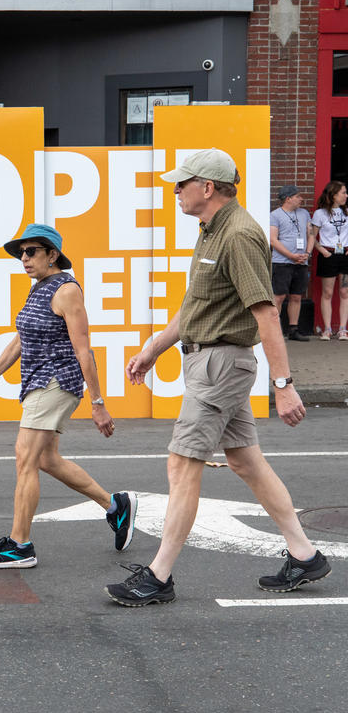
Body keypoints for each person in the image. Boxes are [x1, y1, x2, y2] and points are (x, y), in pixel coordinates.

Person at [107, 148, 330, 607]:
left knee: (181, 463)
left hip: (222, 366)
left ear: (207, 188)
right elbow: (196, 307)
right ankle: (305, 555)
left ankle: (159, 575)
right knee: (247, 462)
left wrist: (284, 386)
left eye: (181, 183)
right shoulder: (210, 231)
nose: (175, 190)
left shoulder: (241, 235)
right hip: (208, 361)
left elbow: (266, 313)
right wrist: (153, 348)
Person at [0, 223, 137, 569]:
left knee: (24, 457)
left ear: (52, 255)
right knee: (45, 460)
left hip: (56, 382)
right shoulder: (40, 288)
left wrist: (98, 403)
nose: (24, 259)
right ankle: (116, 506)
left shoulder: (67, 290)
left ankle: (19, 546)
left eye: (31, 252)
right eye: (21, 253)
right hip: (37, 383)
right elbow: (19, 341)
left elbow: (84, 349)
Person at [268, 184, 312, 341]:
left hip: (301, 262)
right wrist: (290, 255)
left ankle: (293, 329)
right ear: (288, 198)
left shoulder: (304, 213)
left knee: (296, 296)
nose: (301, 199)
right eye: (298, 196)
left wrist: (307, 253)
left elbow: (311, 234)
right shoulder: (275, 215)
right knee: (278, 296)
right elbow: (273, 239)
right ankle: (274, 330)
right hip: (281, 262)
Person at [311, 180, 348, 340]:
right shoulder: (320, 214)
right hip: (329, 255)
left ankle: (342, 329)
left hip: (345, 255)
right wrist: (322, 251)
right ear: (333, 195)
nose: (346, 195)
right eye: (343, 193)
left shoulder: (347, 211)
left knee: (344, 291)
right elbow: (312, 235)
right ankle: (326, 329)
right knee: (327, 292)